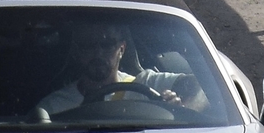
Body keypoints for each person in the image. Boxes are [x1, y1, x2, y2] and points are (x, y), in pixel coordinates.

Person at [34, 23, 206, 120]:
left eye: (107, 44)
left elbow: (204, 88)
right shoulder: (54, 107)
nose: (98, 53)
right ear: (77, 52)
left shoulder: (147, 83)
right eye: (88, 45)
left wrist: (182, 112)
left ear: (121, 49)